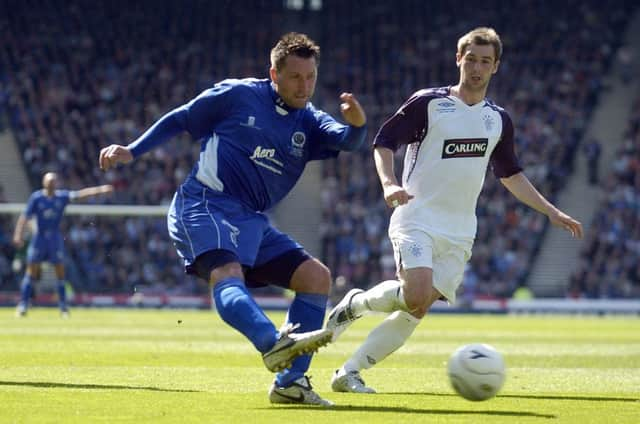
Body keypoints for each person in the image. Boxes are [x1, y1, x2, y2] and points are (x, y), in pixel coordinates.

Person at [98, 32, 367, 406]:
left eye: (310, 77)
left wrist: (357, 125)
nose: (304, 86)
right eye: (295, 77)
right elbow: (182, 119)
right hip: (205, 202)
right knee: (227, 275)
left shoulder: (310, 122)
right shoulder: (238, 95)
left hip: (251, 220)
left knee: (316, 277)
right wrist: (132, 150)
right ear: (274, 74)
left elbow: (349, 142)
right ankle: (271, 343)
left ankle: (291, 384)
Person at [326, 27, 583, 394]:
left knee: (416, 309)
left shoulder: (498, 120)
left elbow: (510, 174)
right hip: (417, 217)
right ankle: (355, 304)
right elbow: (383, 142)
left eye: (485, 61)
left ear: (495, 67)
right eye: (471, 59)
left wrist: (550, 212)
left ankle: (349, 371)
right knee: (415, 294)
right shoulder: (428, 103)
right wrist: (389, 183)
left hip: (461, 230)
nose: (477, 68)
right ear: (458, 59)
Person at [13, 172, 113, 317]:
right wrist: (18, 234)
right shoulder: (37, 198)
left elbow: (80, 195)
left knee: (60, 273)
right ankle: (23, 305)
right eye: (50, 181)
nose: (52, 183)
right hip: (39, 238)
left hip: (54, 239)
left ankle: (63, 307)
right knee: (31, 273)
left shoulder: (61, 196)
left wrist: (100, 190)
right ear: (44, 183)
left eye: (54, 181)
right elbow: (24, 217)